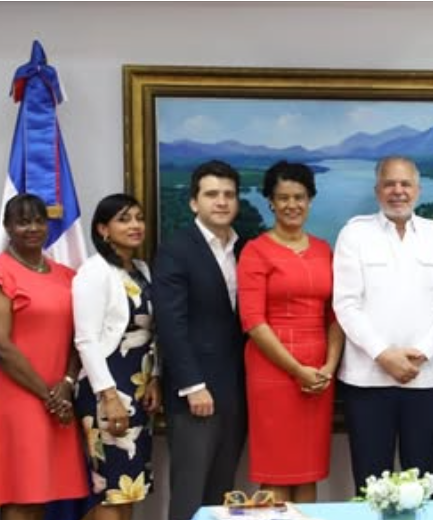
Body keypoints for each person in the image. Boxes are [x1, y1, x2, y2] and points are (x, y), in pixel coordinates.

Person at [332, 155, 433, 489]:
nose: (398, 191)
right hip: (367, 381)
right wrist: (384, 355)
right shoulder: (355, 234)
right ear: (378, 190)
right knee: (370, 483)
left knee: (420, 483)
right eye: (389, 184)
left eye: (405, 184)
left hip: (425, 381)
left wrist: (419, 352)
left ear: (417, 190)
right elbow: (346, 304)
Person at [0, 194, 88, 518]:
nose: (32, 228)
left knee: (41, 490)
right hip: (16, 395)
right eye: (23, 221)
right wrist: (49, 396)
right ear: (8, 227)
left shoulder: (67, 276)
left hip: (59, 393)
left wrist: (68, 384)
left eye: (39, 220)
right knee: (20, 492)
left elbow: (79, 336)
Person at [238, 161, 343, 502]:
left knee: (308, 471)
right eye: (283, 198)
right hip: (274, 370)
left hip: (319, 370)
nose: (292, 205)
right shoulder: (255, 251)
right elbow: (253, 322)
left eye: (299, 197)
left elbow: (335, 316)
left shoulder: (323, 250)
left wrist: (328, 367)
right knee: (277, 473)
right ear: (270, 201)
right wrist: (297, 370)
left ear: (310, 200)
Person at [154, 160, 247, 520]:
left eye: (228, 195)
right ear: (194, 202)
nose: (221, 202)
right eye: (211, 194)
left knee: (221, 494)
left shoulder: (244, 248)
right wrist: (193, 385)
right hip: (196, 392)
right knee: (190, 493)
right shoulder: (177, 249)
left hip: (236, 388)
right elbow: (170, 324)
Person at [72, 193, 161, 520]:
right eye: (124, 219)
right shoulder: (93, 272)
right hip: (108, 388)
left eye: (138, 217)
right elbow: (86, 340)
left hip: (137, 385)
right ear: (103, 229)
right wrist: (109, 396)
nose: (135, 225)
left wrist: (155, 378)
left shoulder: (141, 269)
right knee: (110, 490)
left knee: (128, 488)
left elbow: (153, 333)